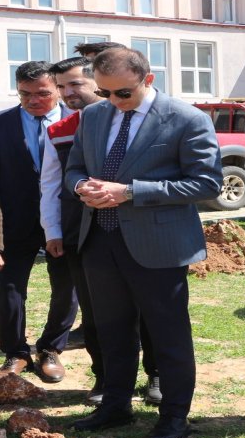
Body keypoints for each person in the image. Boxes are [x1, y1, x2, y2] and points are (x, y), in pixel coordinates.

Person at [64, 47, 222, 438]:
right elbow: (75, 169)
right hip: (100, 238)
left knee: (167, 333)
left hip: (159, 245)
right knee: (111, 331)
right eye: (105, 93)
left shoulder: (187, 118)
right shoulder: (93, 116)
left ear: (148, 80)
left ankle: (174, 417)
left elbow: (206, 183)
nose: (114, 102)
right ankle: (115, 405)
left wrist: (131, 192)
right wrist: (83, 186)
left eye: (123, 93)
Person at [41, 55, 161, 406]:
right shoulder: (62, 130)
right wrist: (53, 229)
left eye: (76, 83)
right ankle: (106, 377)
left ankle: (157, 374)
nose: (68, 92)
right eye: (61, 86)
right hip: (87, 233)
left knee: (150, 310)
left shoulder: (148, 119)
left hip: (143, 232)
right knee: (98, 314)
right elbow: (51, 183)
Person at [0, 61, 78, 384]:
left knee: (66, 286)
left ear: (57, 90)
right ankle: (15, 352)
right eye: (25, 94)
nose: (33, 100)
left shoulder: (77, 120)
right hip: (14, 220)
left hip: (65, 218)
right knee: (9, 288)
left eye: (42, 94)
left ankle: (51, 348)